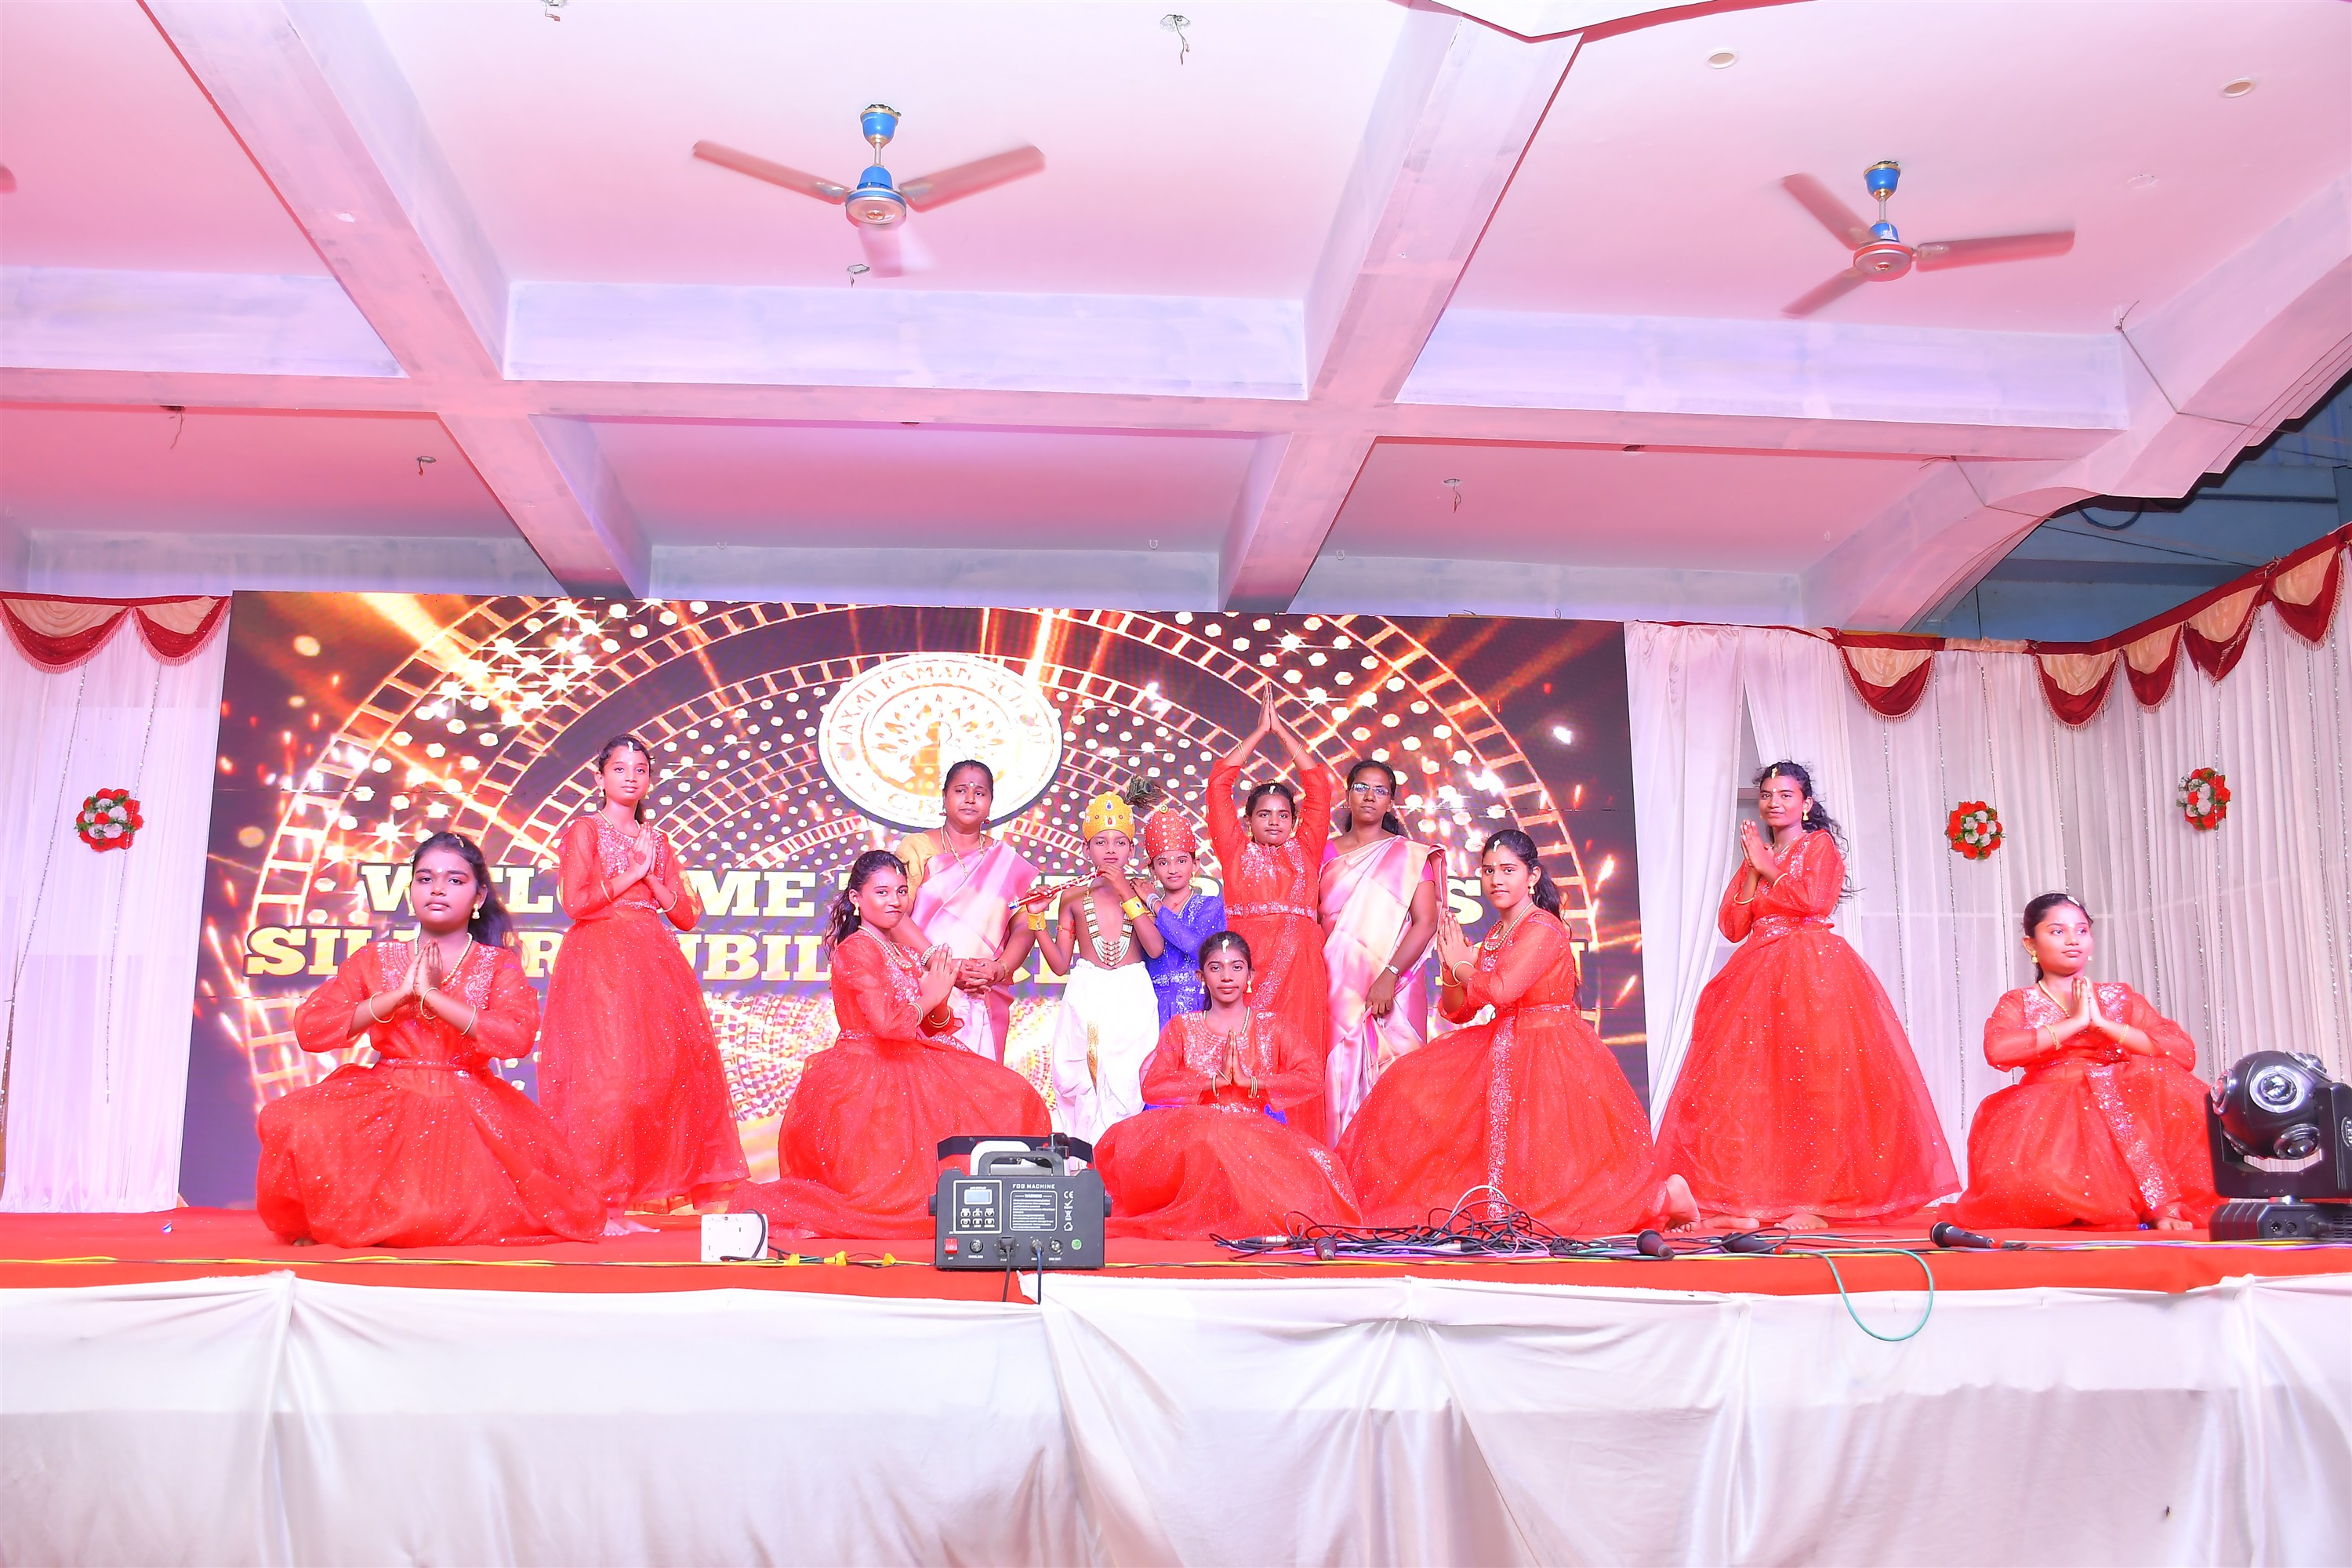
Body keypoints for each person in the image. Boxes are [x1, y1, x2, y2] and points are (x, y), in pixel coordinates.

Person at [1341, 829, 1695, 1234]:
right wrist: (1451, 965)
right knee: (1406, 1084)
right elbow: (1459, 1011)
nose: (1496, 880)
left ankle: (1667, 1197)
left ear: (1532, 876)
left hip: (1550, 1049)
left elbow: (1502, 990)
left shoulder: (1543, 927)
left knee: (1554, 1191)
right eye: (1488, 871)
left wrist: (1462, 964)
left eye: (1508, 870)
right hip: (1503, 1046)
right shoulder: (1496, 934)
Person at [258, 833, 603, 1247]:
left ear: (479, 897)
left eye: (455, 880)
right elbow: (311, 1029)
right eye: (425, 878)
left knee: (434, 1219)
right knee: (291, 1119)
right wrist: (398, 996)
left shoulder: (498, 965)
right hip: (387, 1094)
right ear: (411, 891)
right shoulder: (374, 959)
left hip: (468, 1102)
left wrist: (433, 997)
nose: (438, 888)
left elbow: (516, 1038)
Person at [1653, 761, 1957, 1229]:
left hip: (1810, 972)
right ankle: (1746, 1203)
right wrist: (1753, 870)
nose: (1774, 802)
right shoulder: (1757, 856)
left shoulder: (1819, 845)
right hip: (1756, 975)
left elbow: (1813, 900)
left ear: (1806, 803)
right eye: (1767, 795)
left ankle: (1817, 1202)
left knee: (1815, 1084)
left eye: (1786, 795)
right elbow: (1733, 926)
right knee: (1752, 1090)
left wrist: (1767, 867)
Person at [732, 850, 1051, 1239]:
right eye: (881, 892)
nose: (895, 901)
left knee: (1010, 1094)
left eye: (901, 891)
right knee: (883, 1201)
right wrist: (930, 995)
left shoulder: (901, 951)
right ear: (856, 898)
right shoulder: (856, 949)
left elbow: (930, 1026)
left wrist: (939, 995)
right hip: (866, 1074)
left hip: (908, 1061)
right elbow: (887, 1024)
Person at [539, 735, 746, 1233]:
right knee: (607, 1081)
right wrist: (631, 871)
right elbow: (576, 902)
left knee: (655, 1081)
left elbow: (688, 915)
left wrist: (651, 877)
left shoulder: (658, 839)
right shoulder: (586, 829)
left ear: (650, 780)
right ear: (599, 777)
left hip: (653, 961)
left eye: (640, 769)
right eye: (619, 769)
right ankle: (599, 1205)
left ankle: (624, 1202)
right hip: (599, 958)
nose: (630, 777)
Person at [1956, 894, 2220, 1231]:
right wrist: (2075, 1023)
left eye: (2081, 930)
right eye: (2057, 931)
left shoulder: (2118, 997)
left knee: (2154, 1078)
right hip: (2049, 1108)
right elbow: (1999, 1050)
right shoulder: (2020, 1001)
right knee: (2041, 1188)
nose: (2072, 940)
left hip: (2121, 1094)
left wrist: (2103, 1025)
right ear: (2030, 944)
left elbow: (2181, 1051)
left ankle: (2160, 1204)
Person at [1097, 931, 1362, 1238]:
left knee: (1318, 1175)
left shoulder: (1271, 1026)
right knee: (1210, 1138)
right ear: (1201, 977)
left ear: (1251, 976)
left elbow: (1312, 1075)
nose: (1226, 976)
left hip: (1255, 1135)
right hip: (1195, 1137)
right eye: (1216, 967)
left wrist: (1253, 1083)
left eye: (1236, 967)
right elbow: (1153, 1084)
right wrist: (1211, 1083)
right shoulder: (1182, 1027)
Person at [1207, 686, 1335, 1141]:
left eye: (1284, 814)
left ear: (1295, 821)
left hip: (1303, 974)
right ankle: (1246, 1154)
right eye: (1265, 814)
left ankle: (1302, 1155)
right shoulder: (1235, 852)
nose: (1275, 821)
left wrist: (1282, 732)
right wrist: (1259, 732)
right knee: (1248, 1056)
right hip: (1249, 972)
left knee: (1298, 1058)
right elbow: (1218, 786)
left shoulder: (1307, 849)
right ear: (1249, 821)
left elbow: (1319, 789)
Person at [1319, 758, 1442, 1141]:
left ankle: (1394, 1173)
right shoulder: (1322, 853)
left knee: (1399, 1085)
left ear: (1390, 801)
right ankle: (1339, 1170)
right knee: (1337, 1083)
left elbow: (1426, 921)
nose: (1370, 797)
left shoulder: (1409, 856)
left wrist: (1389, 975)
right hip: (1336, 986)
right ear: (1347, 795)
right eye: (1361, 787)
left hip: (1397, 987)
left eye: (1380, 790)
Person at [1034, 788, 1165, 1142]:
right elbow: (1060, 964)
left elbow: (1155, 948)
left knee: (1131, 1079)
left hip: (1132, 993)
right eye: (1101, 842)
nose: (1110, 850)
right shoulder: (1074, 896)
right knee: (1087, 1080)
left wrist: (1127, 893)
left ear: (1132, 850)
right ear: (1086, 849)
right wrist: (1036, 920)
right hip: (1088, 992)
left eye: (1120, 842)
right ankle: (1088, 1159)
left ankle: (1124, 1158)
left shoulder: (1143, 890)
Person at [895, 759, 1040, 1062]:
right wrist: (942, 965)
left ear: (990, 803)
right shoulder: (917, 848)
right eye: (961, 790)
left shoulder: (1005, 861)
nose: (970, 798)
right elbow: (895, 918)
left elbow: (1024, 926)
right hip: (924, 987)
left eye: (980, 793)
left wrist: (1000, 969)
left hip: (983, 992)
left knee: (979, 1085)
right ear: (944, 797)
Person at [1140, 808, 1225, 1027]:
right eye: (1163, 862)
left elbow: (1195, 946)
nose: (1173, 869)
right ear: (1152, 870)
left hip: (1198, 1007)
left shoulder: (1210, 906)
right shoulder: (1141, 912)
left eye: (1181, 861)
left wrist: (1153, 902)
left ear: (1195, 865)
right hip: (1152, 1009)